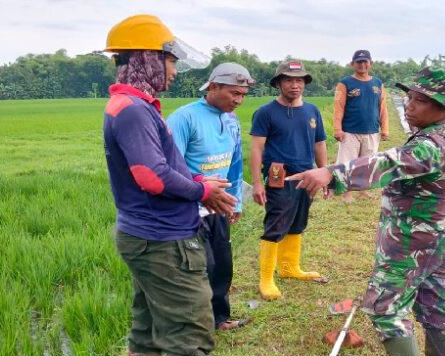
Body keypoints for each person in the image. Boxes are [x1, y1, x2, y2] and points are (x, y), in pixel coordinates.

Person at [288, 68, 445, 356]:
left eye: (420, 100)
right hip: (444, 239)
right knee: (437, 307)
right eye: (410, 97)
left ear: (443, 107)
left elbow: (387, 162)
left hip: (414, 243)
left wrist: (330, 173)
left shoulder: (433, 145)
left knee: (386, 308)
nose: (410, 106)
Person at [103, 14, 236, 356]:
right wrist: (200, 190)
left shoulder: (135, 106)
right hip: (163, 242)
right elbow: (151, 176)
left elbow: (165, 164)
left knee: (148, 330)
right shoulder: (132, 110)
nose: (175, 71)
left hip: (147, 237)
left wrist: (198, 181)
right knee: (191, 333)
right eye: (170, 60)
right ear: (147, 58)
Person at [166, 62, 254, 332]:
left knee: (221, 266)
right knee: (196, 269)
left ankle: (220, 318)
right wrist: (199, 191)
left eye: (243, 95)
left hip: (219, 206)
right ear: (213, 86)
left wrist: (235, 200)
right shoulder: (184, 118)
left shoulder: (231, 120)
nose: (239, 100)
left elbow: (236, 163)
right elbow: (170, 166)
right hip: (189, 210)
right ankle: (194, 326)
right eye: (234, 93)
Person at [250, 60, 328, 300]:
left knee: (298, 222)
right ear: (278, 83)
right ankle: (266, 278)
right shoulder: (266, 112)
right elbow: (256, 149)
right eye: (289, 80)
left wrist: (325, 173)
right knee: (276, 224)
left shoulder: (312, 111)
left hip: (307, 176)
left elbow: (319, 144)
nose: (295, 85)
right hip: (279, 177)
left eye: (299, 80)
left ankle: (289, 268)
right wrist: (257, 183)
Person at [333, 49, 389, 202]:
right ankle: (347, 192)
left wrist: (385, 129)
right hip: (350, 131)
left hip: (372, 131)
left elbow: (382, 108)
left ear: (371, 63)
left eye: (365, 61)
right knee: (347, 163)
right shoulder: (345, 83)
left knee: (367, 163)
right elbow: (338, 107)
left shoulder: (378, 83)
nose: (362, 64)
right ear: (352, 64)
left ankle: (363, 190)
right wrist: (337, 129)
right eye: (359, 62)